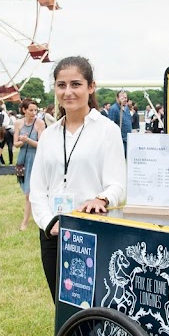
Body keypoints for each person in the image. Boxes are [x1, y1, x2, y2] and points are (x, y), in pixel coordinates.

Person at [30, 56, 127, 302]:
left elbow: (118, 184)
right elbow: (38, 189)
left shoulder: (107, 130)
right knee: (61, 305)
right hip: (53, 231)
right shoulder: (49, 135)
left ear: (90, 87)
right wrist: (48, 223)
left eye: (76, 84)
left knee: (92, 306)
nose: (68, 92)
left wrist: (102, 198)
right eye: (61, 85)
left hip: (91, 232)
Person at [15, 98, 45, 231]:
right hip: (22, 159)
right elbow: (15, 144)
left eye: (35, 110)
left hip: (35, 158)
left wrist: (28, 140)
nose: (34, 113)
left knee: (29, 192)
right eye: (31, 110)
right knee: (26, 189)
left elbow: (42, 145)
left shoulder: (40, 123)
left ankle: (25, 222)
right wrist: (22, 141)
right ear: (24, 110)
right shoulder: (18, 123)